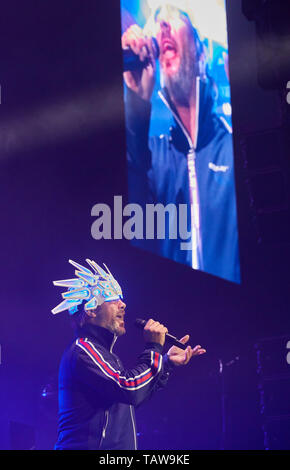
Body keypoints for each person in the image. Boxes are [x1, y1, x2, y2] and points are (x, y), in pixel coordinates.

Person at [122, 4, 240, 283]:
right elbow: (130, 228)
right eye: (157, 24)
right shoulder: (150, 156)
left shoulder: (234, 148)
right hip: (178, 317)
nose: (162, 27)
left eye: (173, 19)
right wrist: (137, 103)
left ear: (202, 52)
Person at [51, 258, 206, 450]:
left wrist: (165, 363)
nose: (123, 304)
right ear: (91, 309)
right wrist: (154, 348)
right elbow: (130, 389)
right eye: (112, 298)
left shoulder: (103, 354)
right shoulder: (83, 350)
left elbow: (130, 400)